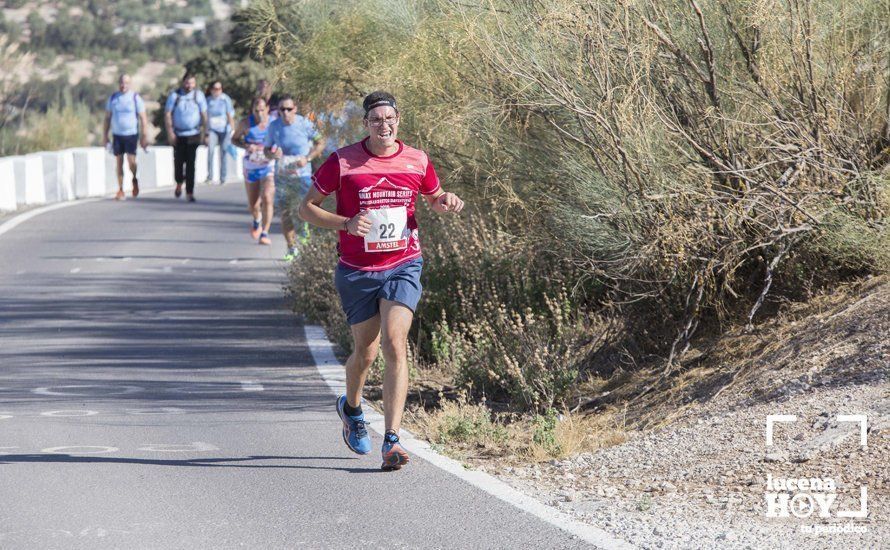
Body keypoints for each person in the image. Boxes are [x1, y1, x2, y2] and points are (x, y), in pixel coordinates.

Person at [298, 91, 464, 470]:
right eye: (376, 120)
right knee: (366, 352)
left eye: (390, 118)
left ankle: (391, 438)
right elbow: (306, 208)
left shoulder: (417, 159)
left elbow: (433, 195)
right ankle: (352, 408)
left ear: (398, 120)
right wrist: (346, 223)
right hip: (357, 270)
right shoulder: (343, 162)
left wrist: (446, 201)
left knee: (394, 341)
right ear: (366, 124)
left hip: (403, 263)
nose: (384, 125)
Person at [264, 94, 325, 261]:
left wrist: (308, 158)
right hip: (283, 175)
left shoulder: (304, 123)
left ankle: (305, 235)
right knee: (285, 213)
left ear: (295, 109)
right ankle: (291, 248)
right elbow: (266, 150)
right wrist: (271, 153)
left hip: (302, 174)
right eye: (281, 110)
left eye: (288, 109)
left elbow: (320, 142)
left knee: (305, 209)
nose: (285, 113)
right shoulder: (273, 126)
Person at [232, 97, 274, 245]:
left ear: (267, 109)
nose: (259, 113)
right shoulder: (245, 123)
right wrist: (246, 146)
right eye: (256, 111)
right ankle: (257, 220)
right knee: (253, 205)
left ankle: (265, 232)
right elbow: (234, 139)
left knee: (268, 197)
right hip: (251, 166)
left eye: (262, 110)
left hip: (269, 166)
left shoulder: (273, 122)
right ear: (252, 111)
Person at [102, 74, 148, 200]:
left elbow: (143, 118)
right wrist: (105, 136)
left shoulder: (135, 98)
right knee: (119, 162)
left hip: (131, 134)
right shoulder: (113, 98)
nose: (123, 85)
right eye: (122, 83)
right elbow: (107, 118)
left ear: (130, 84)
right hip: (117, 135)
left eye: (126, 83)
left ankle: (134, 179)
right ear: (119, 83)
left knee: (131, 161)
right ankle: (120, 189)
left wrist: (144, 135)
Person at [164, 72, 208, 202]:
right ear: (183, 82)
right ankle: (179, 183)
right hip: (178, 134)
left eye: (192, 83)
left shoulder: (198, 95)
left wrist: (206, 133)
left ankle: (190, 192)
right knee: (178, 163)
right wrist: (170, 133)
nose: (190, 85)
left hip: (193, 134)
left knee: (191, 164)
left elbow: (204, 115)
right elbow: (167, 114)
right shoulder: (175, 95)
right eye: (188, 83)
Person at [205, 80, 235, 185]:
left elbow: (230, 114)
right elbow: (206, 117)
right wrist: (206, 133)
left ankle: (223, 177)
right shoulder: (208, 101)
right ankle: (210, 176)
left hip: (224, 129)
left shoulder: (225, 99)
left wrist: (232, 129)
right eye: (216, 89)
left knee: (223, 153)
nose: (218, 91)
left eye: (220, 89)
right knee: (211, 151)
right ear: (212, 90)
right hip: (212, 129)